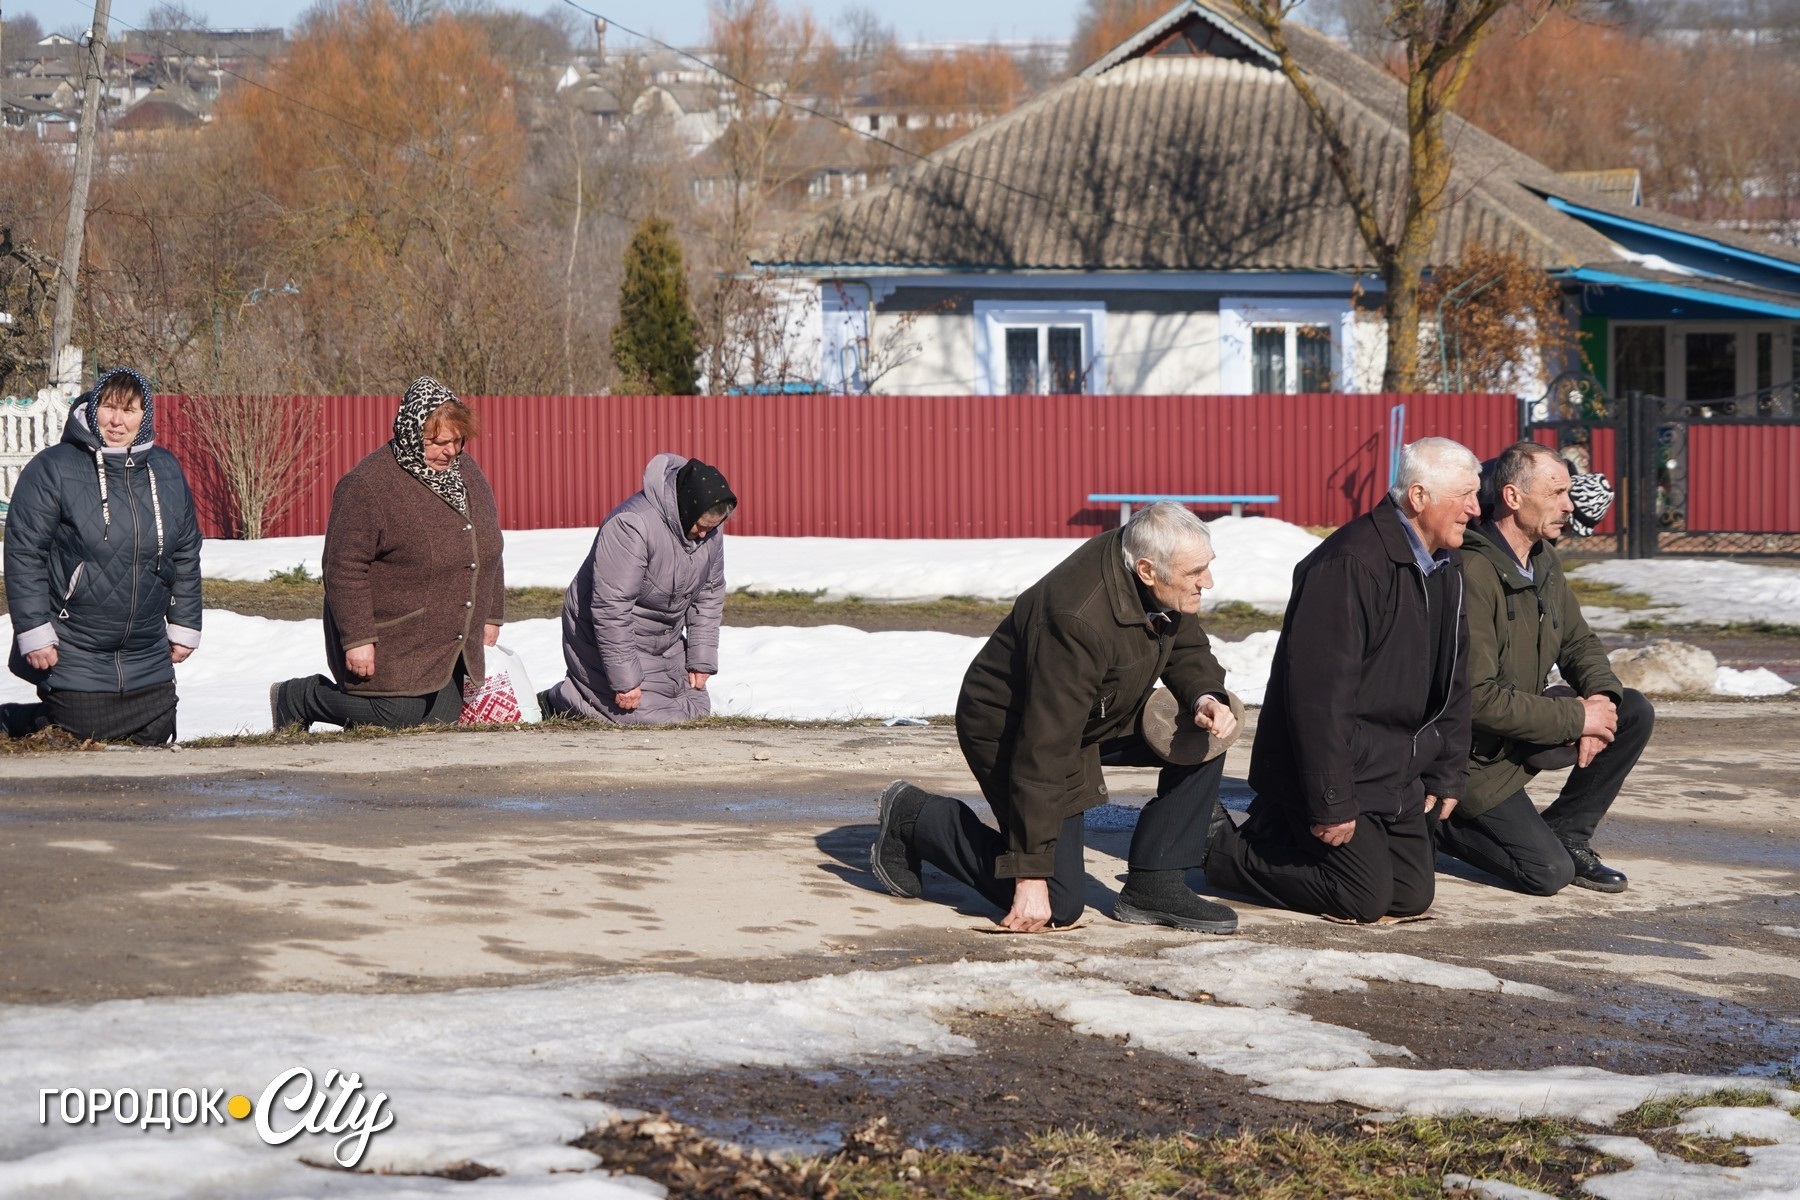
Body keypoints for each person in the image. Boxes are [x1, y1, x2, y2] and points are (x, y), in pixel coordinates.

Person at [869, 501, 1242, 933]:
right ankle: (916, 817)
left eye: (1207, 567)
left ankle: (1156, 885)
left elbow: (1184, 644)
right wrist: (1029, 873)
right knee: (1059, 905)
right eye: (1195, 573)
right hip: (1013, 727)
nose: (1208, 582)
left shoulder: (1154, 573)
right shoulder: (1078, 620)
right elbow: (1044, 749)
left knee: (1209, 731)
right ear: (1146, 570)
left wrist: (1203, 697)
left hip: (1099, 708)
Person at [1204, 438, 1479, 923]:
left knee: (1411, 895)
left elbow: (1455, 679)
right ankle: (1219, 848)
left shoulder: (1447, 565)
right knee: (1362, 898)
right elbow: (1318, 701)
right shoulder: (1350, 563)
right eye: (1464, 496)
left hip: (1394, 771)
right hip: (1339, 768)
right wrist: (1330, 801)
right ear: (1419, 497)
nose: (1475, 509)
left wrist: (1448, 771)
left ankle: (1280, 829)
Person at [1438, 441, 1652, 894]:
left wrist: (1600, 701)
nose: (1568, 506)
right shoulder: (1473, 571)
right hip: (1472, 761)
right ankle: (1439, 827)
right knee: (1547, 873)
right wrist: (1578, 718)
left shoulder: (1543, 559)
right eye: (1555, 493)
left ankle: (1568, 834)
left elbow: (1578, 642)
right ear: (1513, 498)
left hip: (1517, 733)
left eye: (1568, 493)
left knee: (1630, 710)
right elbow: (1476, 698)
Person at [269, 377, 504, 731]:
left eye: (457, 440)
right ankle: (298, 697)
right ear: (411, 434)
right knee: (397, 716)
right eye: (437, 442)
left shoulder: (466, 473)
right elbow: (343, 568)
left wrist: (492, 612)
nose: (451, 451)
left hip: (448, 638)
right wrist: (358, 639)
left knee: (441, 723)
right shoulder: (368, 485)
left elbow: (486, 544)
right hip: (394, 634)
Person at [3, 367, 202, 744]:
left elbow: (186, 552)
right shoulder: (54, 468)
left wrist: (184, 624)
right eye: (108, 407)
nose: (116, 420)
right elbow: (24, 551)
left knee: (156, 733)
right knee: (82, 733)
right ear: (93, 408)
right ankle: (16, 720)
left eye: (129, 410)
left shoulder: (166, 470)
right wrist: (33, 631)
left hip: (146, 648)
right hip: (75, 643)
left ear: (145, 416)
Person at [538, 453, 735, 726]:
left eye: (711, 528)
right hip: (602, 635)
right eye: (701, 527)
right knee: (650, 719)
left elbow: (709, 596)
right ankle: (563, 699)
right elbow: (611, 608)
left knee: (695, 711)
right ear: (687, 506)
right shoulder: (632, 525)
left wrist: (700, 660)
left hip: (664, 639)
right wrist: (625, 680)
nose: (704, 535)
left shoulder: (709, 530)